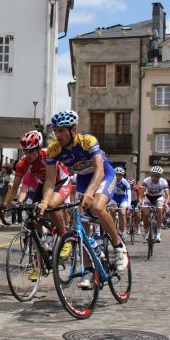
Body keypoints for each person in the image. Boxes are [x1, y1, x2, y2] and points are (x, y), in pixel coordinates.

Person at [44, 110, 129, 272]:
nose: (57, 135)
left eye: (61, 130)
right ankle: (88, 269)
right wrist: (44, 201)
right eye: (55, 131)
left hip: (103, 175)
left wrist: (90, 193)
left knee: (97, 207)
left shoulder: (88, 141)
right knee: (80, 226)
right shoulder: (54, 149)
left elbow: (99, 170)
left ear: (73, 130)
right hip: (83, 179)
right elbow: (49, 180)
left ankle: (119, 246)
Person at [0, 130, 72, 281]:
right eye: (25, 151)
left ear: (39, 149)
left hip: (61, 182)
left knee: (50, 206)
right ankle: (38, 264)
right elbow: (15, 188)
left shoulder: (49, 155)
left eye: (31, 151)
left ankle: (65, 239)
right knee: (33, 220)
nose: (28, 155)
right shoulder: (23, 163)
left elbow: (51, 182)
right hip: (44, 184)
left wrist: (45, 202)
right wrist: (4, 205)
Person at [139, 166, 170, 243]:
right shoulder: (146, 180)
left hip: (158, 197)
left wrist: (166, 204)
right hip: (148, 197)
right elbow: (141, 194)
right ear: (151, 175)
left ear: (160, 176)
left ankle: (158, 233)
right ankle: (146, 232)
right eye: (153, 175)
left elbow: (167, 196)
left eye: (157, 176)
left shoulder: (163, 182)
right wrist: (140, 202)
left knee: (160, 209)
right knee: (145, 213)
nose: (154, 177)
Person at [109, 167, 132, 239]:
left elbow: (129, 194)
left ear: (122, 176)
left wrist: (129, 205)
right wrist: (107, 203)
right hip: (114, 198)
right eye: (116, 175)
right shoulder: (111, 181)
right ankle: (112, 229)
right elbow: (108, 193)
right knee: (112, 210)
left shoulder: (125, 182)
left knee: (122, 213)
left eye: (120, 175)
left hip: (123, 198)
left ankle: (122, 231)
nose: (118, 177)